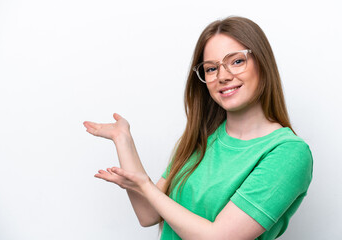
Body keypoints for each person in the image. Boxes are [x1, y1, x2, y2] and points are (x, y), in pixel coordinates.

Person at [83, 16, 313, 240]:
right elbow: (148, 214)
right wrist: (123, 140)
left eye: (237, 61)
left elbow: (218, 237)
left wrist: (145, 185)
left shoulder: (288, 153)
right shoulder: (202, 138)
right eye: (211, 69)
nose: (223, 76)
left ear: (263, 63)